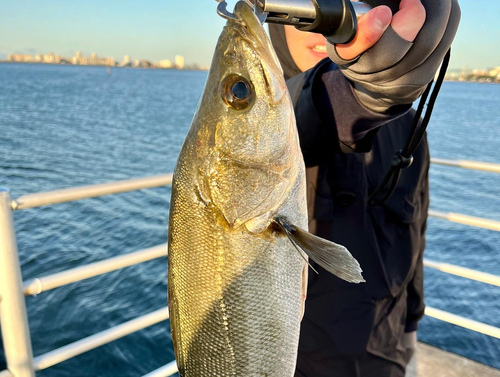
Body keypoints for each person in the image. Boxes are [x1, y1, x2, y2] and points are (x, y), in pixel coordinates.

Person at [269, 0, 460, 376]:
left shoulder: (410, 130)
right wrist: (354, 93)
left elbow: (415, 233)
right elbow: (300, 113)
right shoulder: (268, 114)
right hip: (295, 360)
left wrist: (409, 330)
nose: (329, 15)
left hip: (385, 355)